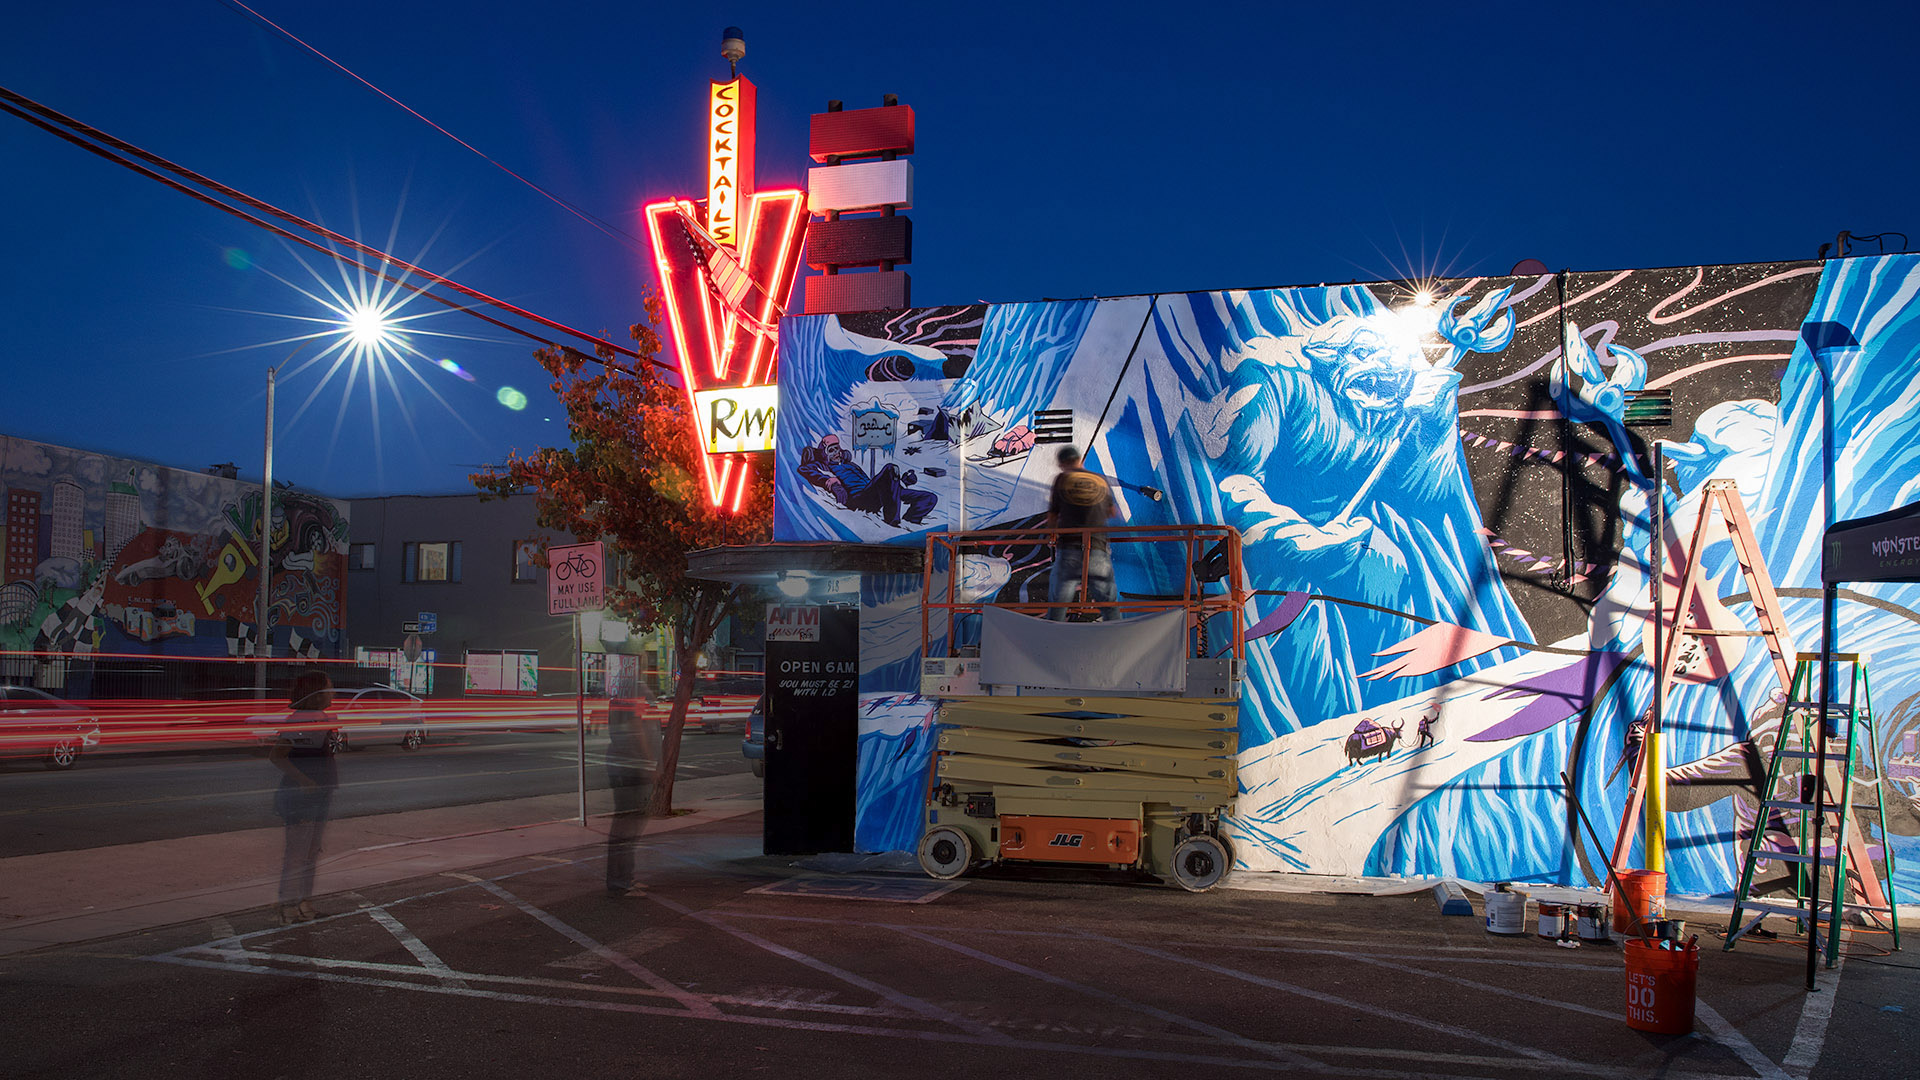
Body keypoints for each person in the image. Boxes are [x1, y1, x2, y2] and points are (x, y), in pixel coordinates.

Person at [267, 670, 338, 924]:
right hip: (301, 797)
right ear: (317, 694)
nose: (333, 692)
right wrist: (304, 781)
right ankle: (288, 905)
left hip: (320, 794)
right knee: (297, 853)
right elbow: (277, 756)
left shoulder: (321, 718)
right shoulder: (300, 720)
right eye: (329, 688)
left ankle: (304, 902)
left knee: (310, 852)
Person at [798, 434, 938, 527]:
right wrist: (831, 482)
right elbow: (805, 470)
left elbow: (870, 482)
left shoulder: (849, 464)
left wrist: (900, 482)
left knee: (929, 498)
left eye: (837, 449)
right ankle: (892, 521)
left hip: (872, 491)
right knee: (890, 469)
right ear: (824, 453)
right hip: (859, 498)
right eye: (831, 450)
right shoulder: (823, 466)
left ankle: (911, 521)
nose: (836, 453)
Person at [1046, 446, 1118, 621]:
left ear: (1062, 463)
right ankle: (1120, 643)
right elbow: (1112, 512)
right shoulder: (1099, 480)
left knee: (1057, 606)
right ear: (1080, 460)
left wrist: (1051, 535)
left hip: (1070, 549)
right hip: (1098, 547)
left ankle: (1050, 645)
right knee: (1109, 605)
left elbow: (1053, 515)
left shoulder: (1063, 479)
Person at [604, 691, 662, 896]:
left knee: (627, 823)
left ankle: (624, 877)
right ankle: (621, 880)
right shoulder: (634, 693)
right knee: (629, 824)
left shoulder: (623, 694)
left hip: (626, 765)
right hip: (633, 767)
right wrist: (649, 763)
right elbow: (636, 729)